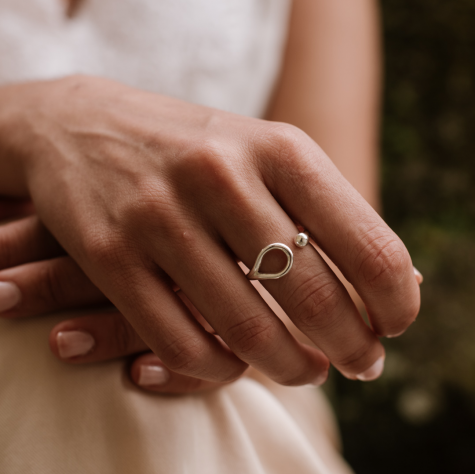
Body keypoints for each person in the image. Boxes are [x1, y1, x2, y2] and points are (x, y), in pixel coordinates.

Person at [0, 0, 421, 472]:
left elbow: (342, 246)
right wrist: (37, 120)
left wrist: (202, 289)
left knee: (144, 401)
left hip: (234, 371)